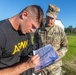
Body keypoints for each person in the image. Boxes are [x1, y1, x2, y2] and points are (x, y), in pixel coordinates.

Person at [0, 5, 44, 75]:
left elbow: (26, 52)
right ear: (24, 15)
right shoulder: (2, 33)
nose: (32, 31)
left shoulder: (25, 32)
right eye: (33, 26)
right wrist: (27, 65)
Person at [34, 4, 68, 75]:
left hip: (55, 68)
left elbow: (65, 46)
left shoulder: (60, 31)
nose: (49, 20)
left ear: (55, 18)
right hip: (42, 68)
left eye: (52, 18)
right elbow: (35, 46)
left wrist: (60, 53)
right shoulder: (38, 31)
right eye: (48, 17)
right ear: (45, 16)